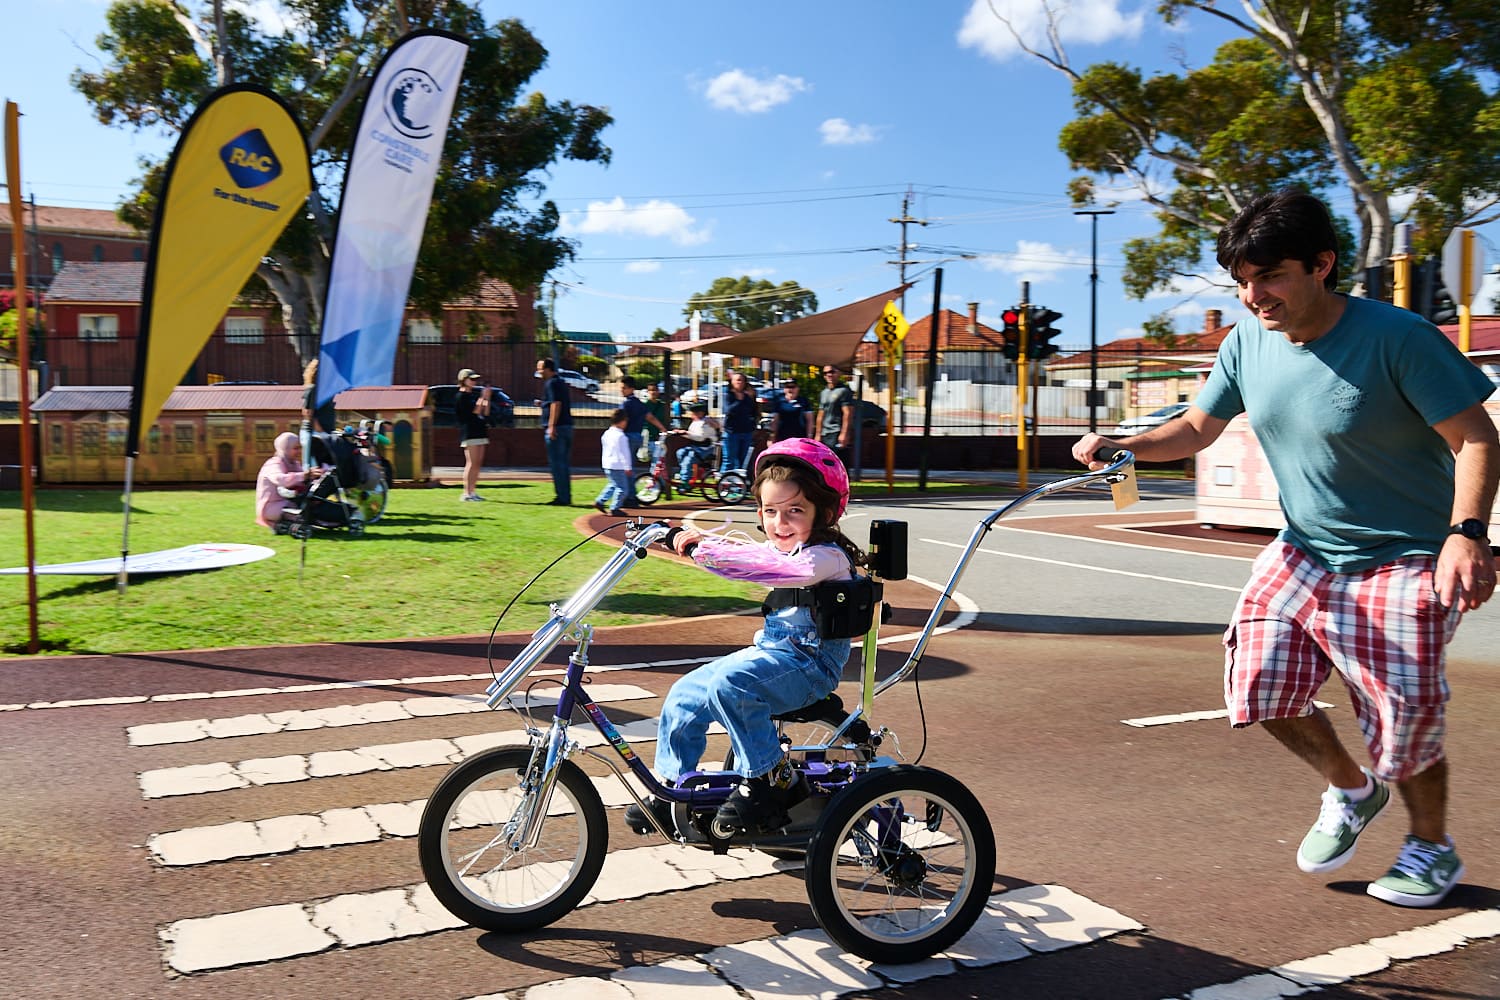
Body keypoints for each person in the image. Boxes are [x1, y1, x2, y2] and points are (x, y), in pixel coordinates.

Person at [1071, 189, 1498, 909]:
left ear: (1323, 265)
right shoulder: (1246, 342)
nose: (1253, 295)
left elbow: (1478, 438)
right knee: (1258, 685)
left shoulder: (1397, 337)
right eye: (1241, 281)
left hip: (1406, 554)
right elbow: (1197, 430)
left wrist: (1466, 535)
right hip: (1305, 548)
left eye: (1269, 276)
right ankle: (1350, 790)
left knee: (1402, 716)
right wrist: (1128, 443)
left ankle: (1432, 846)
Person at [624, 438, 866, 835]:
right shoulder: (783, 550)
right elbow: (759, 556)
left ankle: (773, 779)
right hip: (773, 656)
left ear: (822, 513)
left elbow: (775, 570)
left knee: (730, 685)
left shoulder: (827, 557)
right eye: (770, 512)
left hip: (809, 668)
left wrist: (701, 550)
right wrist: (682, 538)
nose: (779, 523)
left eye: (794, 511)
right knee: (686, 692)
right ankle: (674, 788)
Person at [619, 375, 666, 506]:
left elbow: (622, 420)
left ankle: (630, 497)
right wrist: (662, 428)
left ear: (631, 389)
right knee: (629, 466)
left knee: (625, 468)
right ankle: (629, 495)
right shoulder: (639, 403)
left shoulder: (626, 403)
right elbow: (650, 417)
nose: (621, 390)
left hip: (627, 436)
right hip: (637, 437)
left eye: (624, 388)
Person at [536, 357, 574, 506]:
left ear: (547, 369)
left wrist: (551, 426)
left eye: (540, 369)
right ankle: (565, 496)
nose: (538, 372)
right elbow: (555, 403)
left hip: (558, 429)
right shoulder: (560, 382)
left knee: (557, 464)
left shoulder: (551, 383)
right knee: (563, 464)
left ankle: (562, 498)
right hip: (567, 427)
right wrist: (543, 404)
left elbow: (556, 404)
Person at [254, 432, 310, 529]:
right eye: (295, 448)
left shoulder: (293, 463)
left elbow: (302, 479)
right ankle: (283, 526)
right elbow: (280, 480)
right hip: (271, 507)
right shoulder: (273, 463)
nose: (299, 451)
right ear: (285, 448)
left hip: (287, 503)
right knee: (304, 516)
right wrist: (304, 476)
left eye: (300, 448)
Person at [455, 368, 491, 502]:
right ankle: (466, 493)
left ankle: (473, 491)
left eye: (475, 379)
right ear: (464, 380)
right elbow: (475, 411)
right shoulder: (461, 396)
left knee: (478, 463)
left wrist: (487, 398)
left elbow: (484, 412)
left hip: (479, 430)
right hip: (470, 432)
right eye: (472, 379)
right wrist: (482, 397)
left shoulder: (472, 395)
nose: (474, 382)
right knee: (471, 463)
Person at [594, 408, 633, 516]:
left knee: (613, 484)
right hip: (618, 465)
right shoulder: (621, 436)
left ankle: (600, 501)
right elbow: (624, 453)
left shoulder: (607, 433)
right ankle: (615, 507)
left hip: (607, 463)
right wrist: (628, 467)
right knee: (623, 488)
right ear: (623, 421)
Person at [673, 401, 720, 489]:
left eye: (695, 412)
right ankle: (687, 473)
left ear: (701, 413)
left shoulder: (707, 423)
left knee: (689, 459)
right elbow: (692, 434)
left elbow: (700, 438)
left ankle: (685, 482)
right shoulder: (695, 422)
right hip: (695, 447)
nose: (692, 414)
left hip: (706, 448)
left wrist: (685, 433)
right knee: (680, 452)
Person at [720, 370, 760, 472]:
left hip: (746, 432)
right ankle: (724, 483)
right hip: (731, 432)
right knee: (729, 461)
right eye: (737, 380)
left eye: (741, 380)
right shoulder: (728, 395)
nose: (739, 382)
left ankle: (739, 484)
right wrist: (739, 400)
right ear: (732, 382)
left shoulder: (748, 397)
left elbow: (754, 411)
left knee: (744, 462)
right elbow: (728, 410)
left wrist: (753, 425)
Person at [816, 366, 855, 466]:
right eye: (825, 373)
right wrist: (818, 434)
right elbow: (821, 414)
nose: (829, 375)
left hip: (836, 432)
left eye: (832, 372)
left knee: (839, 463)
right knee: (825, 463)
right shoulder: (824, 392)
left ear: (839, 373)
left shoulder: (844, 391)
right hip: (825, 434)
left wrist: (844, 434)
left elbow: (848, 413)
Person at [300, 359, 337, 433]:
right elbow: (307, 412)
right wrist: (320, 431)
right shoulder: (313, 389)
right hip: (315, 433)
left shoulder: (326, 391)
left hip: (326, 431)